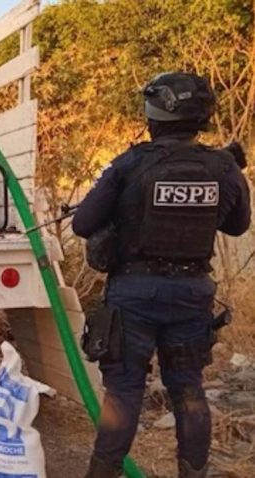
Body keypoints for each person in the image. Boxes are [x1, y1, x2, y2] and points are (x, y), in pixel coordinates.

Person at [73, 72, 251, 478]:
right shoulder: (224, 167)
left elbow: (83, 224)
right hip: (192, 294)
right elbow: (238, 226)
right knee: (188, 389)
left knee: (123, 393)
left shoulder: (131, 163)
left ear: (154, 113)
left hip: (134, 293)